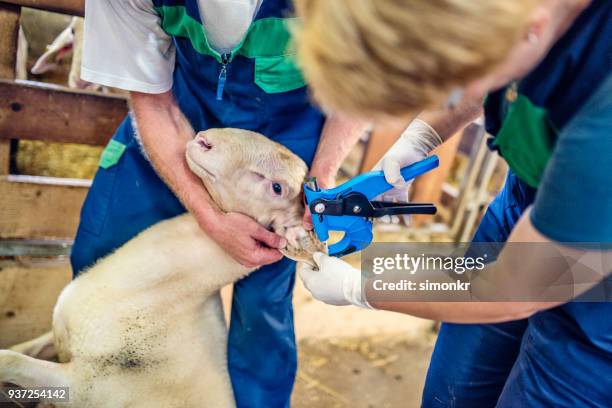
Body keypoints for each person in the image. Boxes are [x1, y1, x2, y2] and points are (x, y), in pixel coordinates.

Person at [295, 0, 612, 406]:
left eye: (455, 86)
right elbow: (476, 54)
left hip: (597, 275)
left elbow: (512, 289)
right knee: (453, 389)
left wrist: (361, 288)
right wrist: (420, 138)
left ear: (530, 28)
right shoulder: (499, 18)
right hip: (525, 195)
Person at [71, 1, 364, 406]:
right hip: (180, 121)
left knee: (263, 302)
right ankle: (98, 385)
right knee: (100, 251)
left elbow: (359, 87)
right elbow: (153, 102)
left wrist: (320, 180)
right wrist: (208, 215)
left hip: (285, 146)